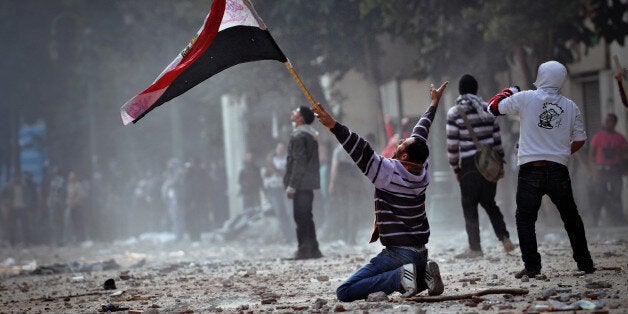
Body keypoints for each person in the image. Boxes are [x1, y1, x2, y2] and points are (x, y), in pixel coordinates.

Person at [313, 81, 448, 301]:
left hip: (399, 254)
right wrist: (433, 105)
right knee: (404, 277)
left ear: (403, 157)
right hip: (420, 252)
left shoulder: (388, 172)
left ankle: (399, 278)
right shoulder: (421, 170)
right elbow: (420, 133)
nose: (402, 140)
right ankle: (423, 277)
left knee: (344, 291)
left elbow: (360, 149)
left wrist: (334, 126)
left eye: (403, 144)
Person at [487, 60, 596, 278]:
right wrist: (562, 153)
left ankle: (532, 267)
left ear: (541, 76)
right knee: (571, 217)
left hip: (530, 170)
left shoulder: (526, 97)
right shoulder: (571, 106)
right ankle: (585, 264)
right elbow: (580, 139)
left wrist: (510, 90)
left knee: (525, 218)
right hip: (558, 170)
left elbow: (492, 107)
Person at [446, 74, 515, 258]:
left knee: (469, 206)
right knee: (490, 203)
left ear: (460, 90)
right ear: (476, 89)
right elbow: (497, 140)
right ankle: (505, 238)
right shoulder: (488, 109)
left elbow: (453, 145)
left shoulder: (454, 113)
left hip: (468, 166)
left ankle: (475, 249)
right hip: (489, 165)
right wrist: (500, 164)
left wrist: (455, 168)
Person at [284, 106, 323, 260]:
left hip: (300, 184)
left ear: (301, 118)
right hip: (308, 183)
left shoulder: (299, 136)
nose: (292, 112)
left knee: (300, 217)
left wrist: (292, 185)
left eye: (296, 111)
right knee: (307, 216)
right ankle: (313, 250)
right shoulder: (310, 136)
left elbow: (299, 163)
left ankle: (304, 250)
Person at [588, 113, 628, 225]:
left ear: (614, 123)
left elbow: (625, 154)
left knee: (616, 194)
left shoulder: (620, 138)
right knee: (599, 195)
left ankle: (618, 220)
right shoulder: (598, 137)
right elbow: (591, 155)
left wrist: (624, 168)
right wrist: (594, 171)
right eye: (606, 121)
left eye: (609, 121)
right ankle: (595, 220)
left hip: (615, 170)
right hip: (600, 170)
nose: (607, 123)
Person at [263, 143, 294, 242]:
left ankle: (294, 234)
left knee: (290, 212)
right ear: (276, 149)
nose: (280, 150)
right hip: (274, 189)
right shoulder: (270, 160)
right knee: (280, 213)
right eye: (279, 148)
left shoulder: (288, 159)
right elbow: (266, 174)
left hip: (285, 188)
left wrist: (278, 171)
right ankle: (287, 236)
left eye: (282, 148)